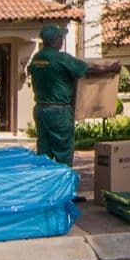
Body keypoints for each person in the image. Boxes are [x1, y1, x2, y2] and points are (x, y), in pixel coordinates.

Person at [26, 22, 88, 165]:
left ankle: (46, 183)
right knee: (63, 152)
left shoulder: (36, 58)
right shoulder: (61, 58)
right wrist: (110, 68)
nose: (62, 40)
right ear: (55, 40)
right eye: (61, 38)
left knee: (44, 151)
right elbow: (85, 69)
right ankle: (64, 185)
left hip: (40, 109)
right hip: (58, 111)